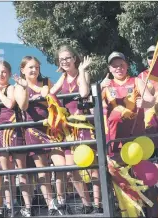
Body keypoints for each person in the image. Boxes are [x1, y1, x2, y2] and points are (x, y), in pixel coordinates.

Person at [102, 51, 158, 155]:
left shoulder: (136, 81)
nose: (118, 68)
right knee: (115, 169)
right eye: (114, 66)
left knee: (139, 168)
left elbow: (151, 100)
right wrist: (100, 87)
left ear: (127, 66)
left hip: (136, 137)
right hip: (114, 139)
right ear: (109, 68)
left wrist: (145, 103)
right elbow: (93, 106)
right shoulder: (105, 86)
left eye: (121, 65)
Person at [49, 45, 98, 214]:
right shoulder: (62, 77)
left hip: (83, 126)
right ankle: (87, 204)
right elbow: (50, 93)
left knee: (92, 169)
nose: (65, 61)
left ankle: (99, 202)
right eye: (61, 59)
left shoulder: (82, 73)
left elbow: (84, 92)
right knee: (71, 170)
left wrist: (83, 70)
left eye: (67, 58)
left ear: (74, 58)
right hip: (68, 129)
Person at [0, 60, 30, 217]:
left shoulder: (11, 87)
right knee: (5, 172)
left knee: (21, 171)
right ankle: (9, 205)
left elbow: (9, 104)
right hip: (0, 133)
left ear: (8, 74)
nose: (0, 74)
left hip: (14, 130)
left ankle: (28, 205)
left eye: (3, 72)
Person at [15, 56, 62, 216]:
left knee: (62, 165)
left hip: (52, 128)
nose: (34, 70)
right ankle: (51, 205)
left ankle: (61, 200)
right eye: (30, 68)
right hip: (33, 130)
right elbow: (23, 105)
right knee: (42, 171)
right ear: (23, 70)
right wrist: (25, 88)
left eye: (36, 67)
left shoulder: (47, 81)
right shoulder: (19, 86)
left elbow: (51, 94)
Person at [137, 45, 158, 198]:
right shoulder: (141, 77)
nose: (152, 59)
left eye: (155, 55)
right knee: (152, 158)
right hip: (150, 122)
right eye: (149, 56)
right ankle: (154, 191)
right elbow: (143, 100)